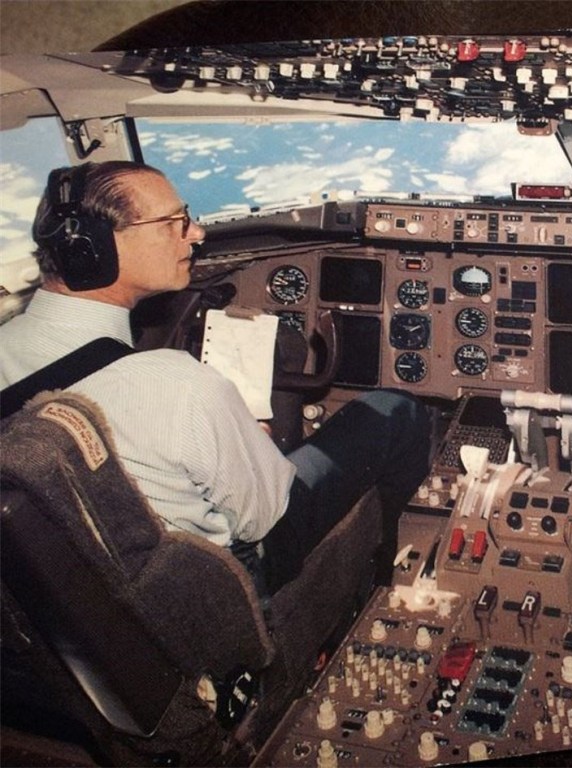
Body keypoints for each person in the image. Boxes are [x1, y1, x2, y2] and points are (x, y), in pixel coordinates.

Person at [0, 160, 432, 594]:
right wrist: (246, 440)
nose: (197, 234)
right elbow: (263, 516)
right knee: (395, 410)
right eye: (175, 222)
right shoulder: (180, 386)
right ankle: (383, 572)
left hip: (86, 592)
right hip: (212, 586)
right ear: (94, 249)